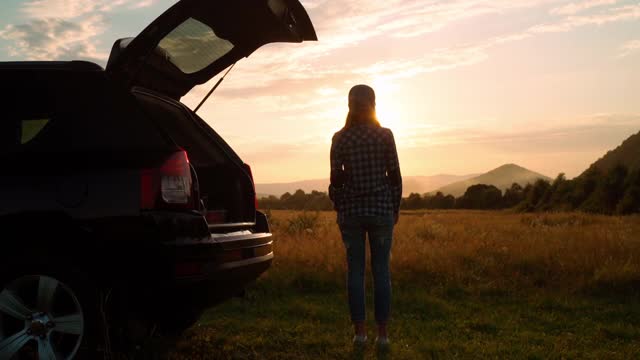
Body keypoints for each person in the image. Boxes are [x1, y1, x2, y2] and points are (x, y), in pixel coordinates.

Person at [328, 84, 402, 348]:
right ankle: (383, 336)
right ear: (373, 103)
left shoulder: (340, 138)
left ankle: (360, 333)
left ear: (349, 105)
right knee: (382, 272)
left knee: (355, 273)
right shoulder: (385, 135)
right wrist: (395, 208)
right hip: (381, 210)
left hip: (351, 213)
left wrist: (339, 205)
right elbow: (394, 176)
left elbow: (336, 180)